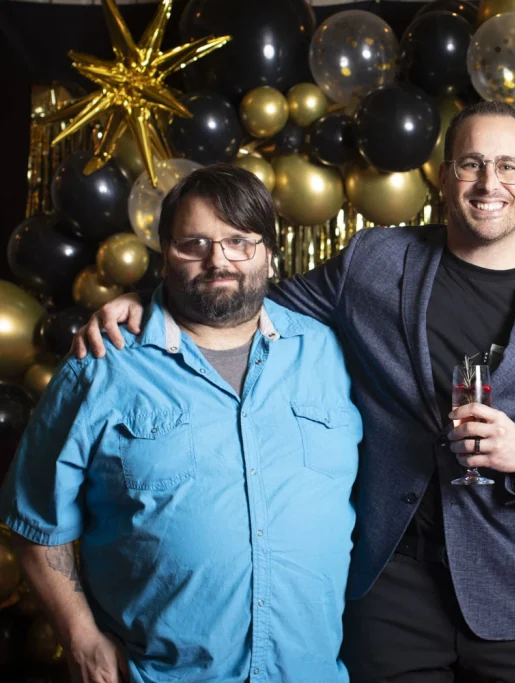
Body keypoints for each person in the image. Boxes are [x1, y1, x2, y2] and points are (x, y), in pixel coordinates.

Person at [73, 101, 515, 682]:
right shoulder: (375, 260)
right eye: (471, 163)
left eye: (509, 166)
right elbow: (249, 301)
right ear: (443, 177)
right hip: (389, 590)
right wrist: (150, 301)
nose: (490, 183)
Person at [2, 165, 362, 683]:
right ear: (163, 252)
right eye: (193, 243)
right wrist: (80, 640)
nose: (218, 260)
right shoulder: (103, 364)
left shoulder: (326, 352)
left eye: (239, 241)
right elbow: (34, 521)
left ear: (268, 251)